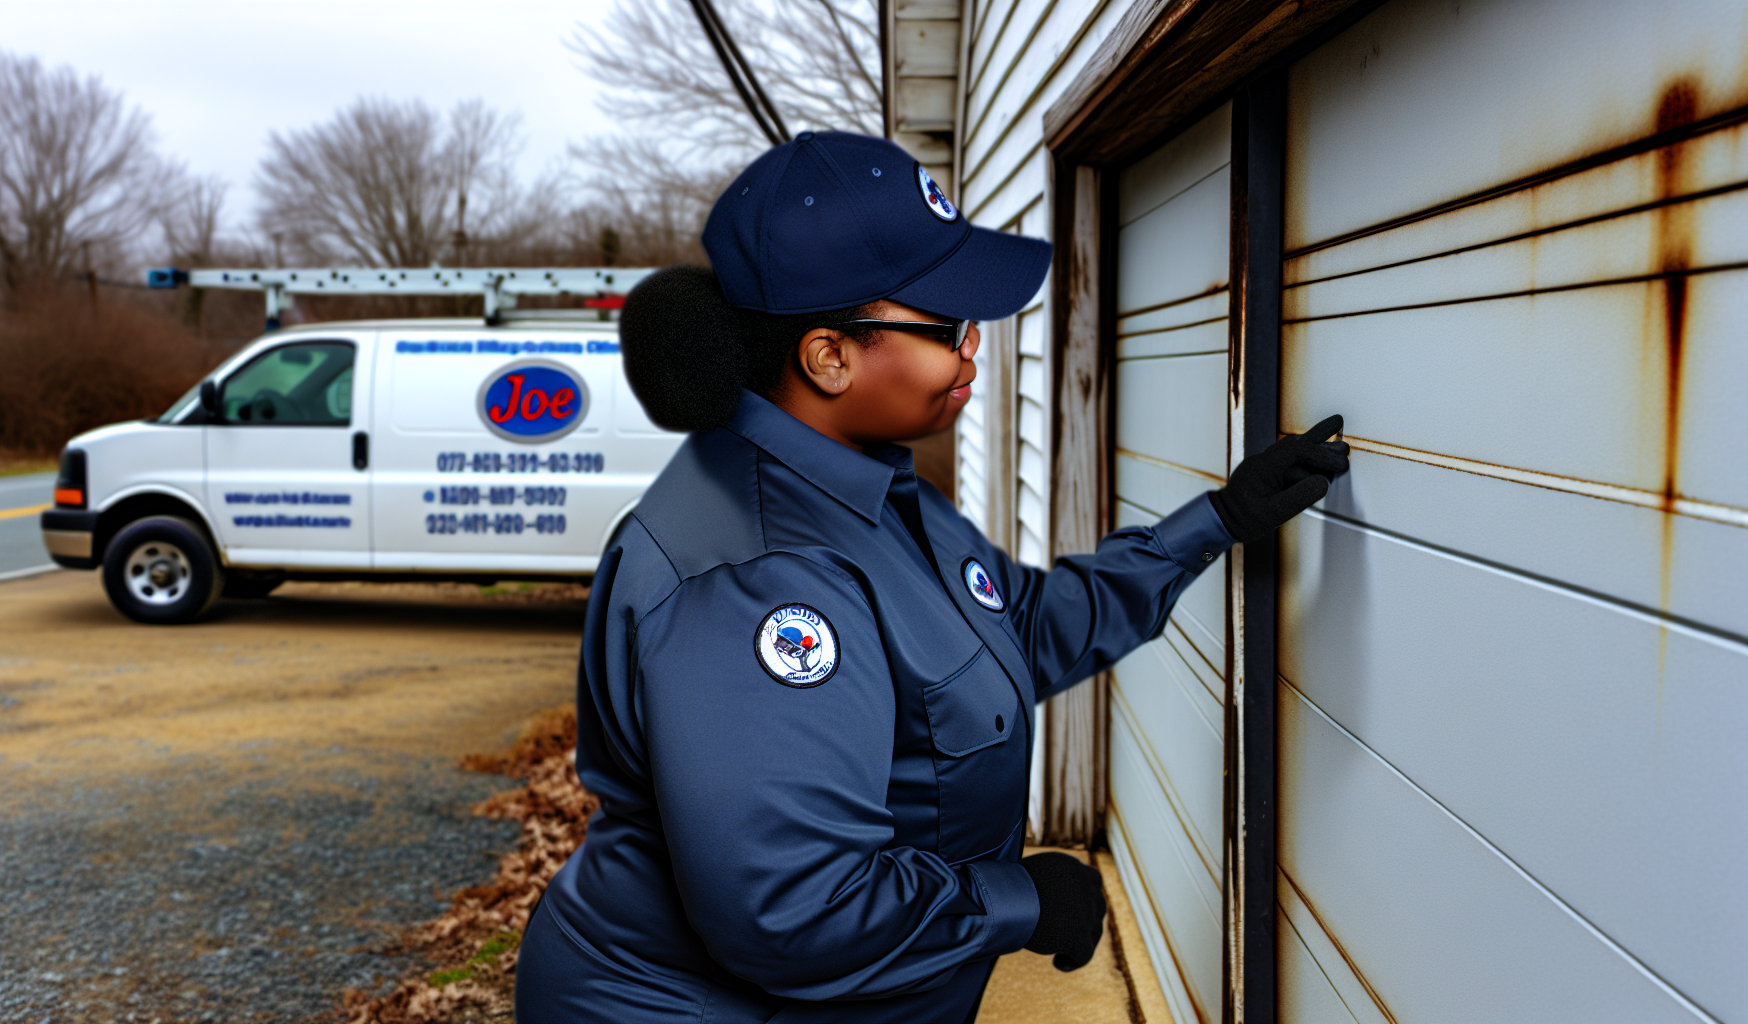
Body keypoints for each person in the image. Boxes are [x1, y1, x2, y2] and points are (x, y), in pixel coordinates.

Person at [514, 131, 1348, 1023]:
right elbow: (798, 911)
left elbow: (1021, 627)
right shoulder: (761, 582)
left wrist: (1215, 523)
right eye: (947, 325)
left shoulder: (870, 488)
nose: (973, 350)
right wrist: (1021, 901)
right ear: (829, 356)